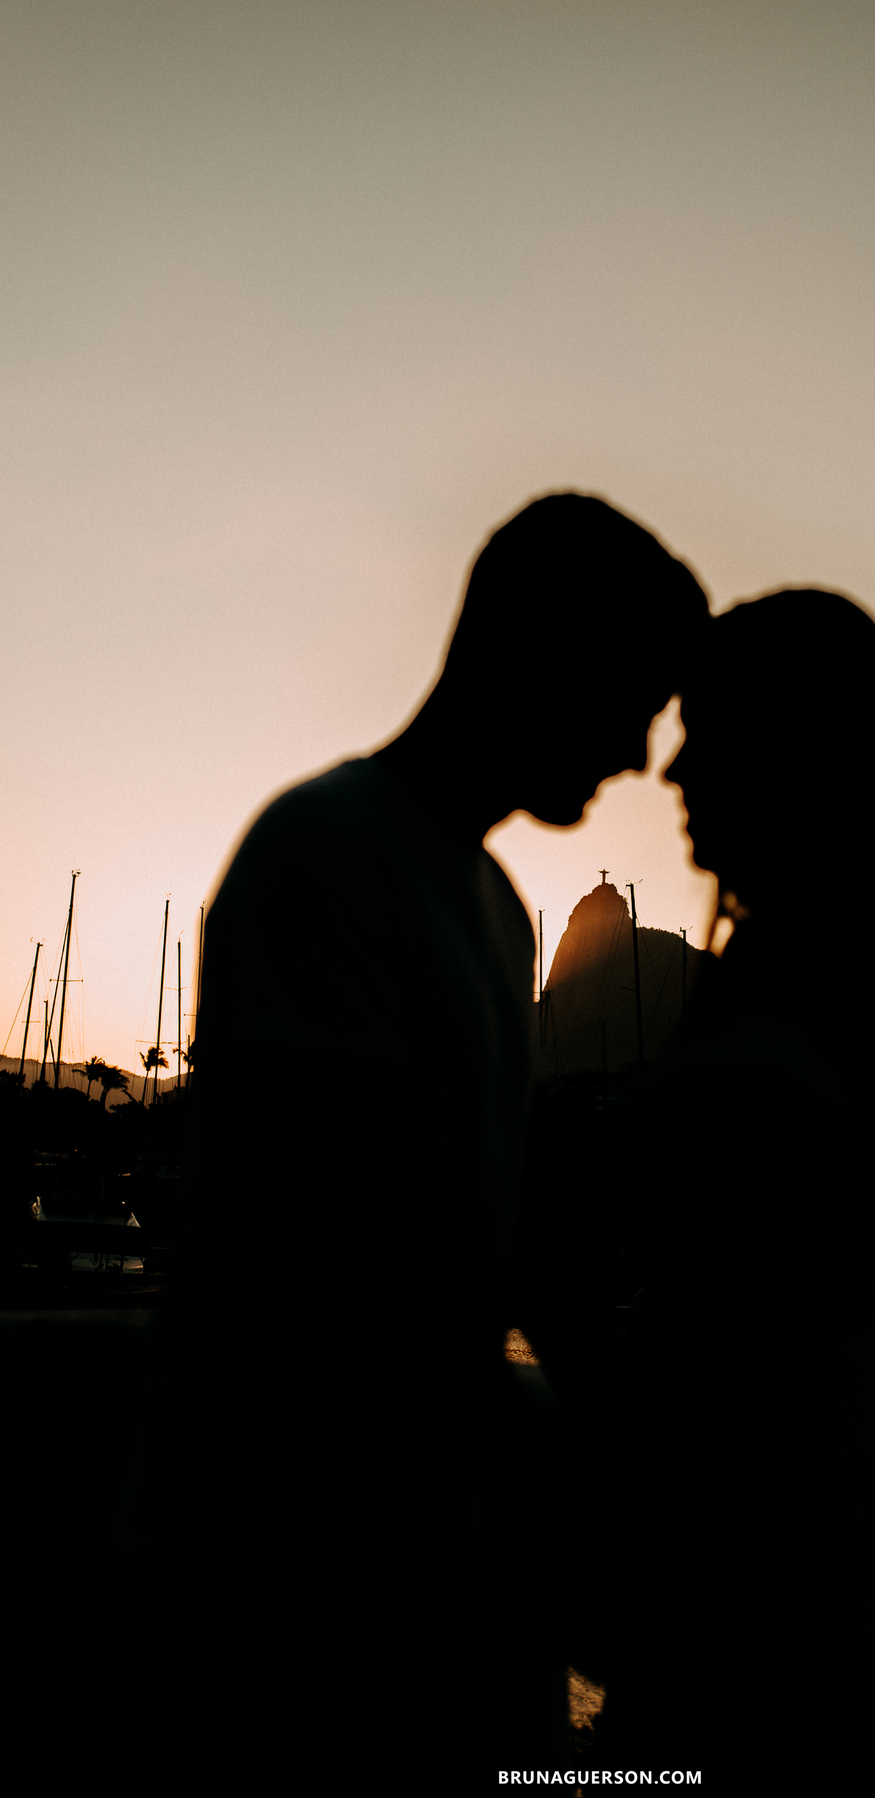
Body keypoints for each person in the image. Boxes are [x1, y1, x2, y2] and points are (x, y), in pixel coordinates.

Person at [117, 491, 709, 1775]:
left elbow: (519, 1226)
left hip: (427, 1579)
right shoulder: (325, 854)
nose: (637, 753)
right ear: (541, 653)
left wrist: (617, 1438)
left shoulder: (490, 902)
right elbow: (332, 1263)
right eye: (632, 701)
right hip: (277, 1597)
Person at [547, 588, 875, 1791]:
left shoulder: (795, 1017)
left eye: (708, 731)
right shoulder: (851, 990)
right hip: (874, 1508)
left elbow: (705, 1376)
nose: (673, 767)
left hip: (832, 1545)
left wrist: (537, 1269)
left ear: (796, 757)